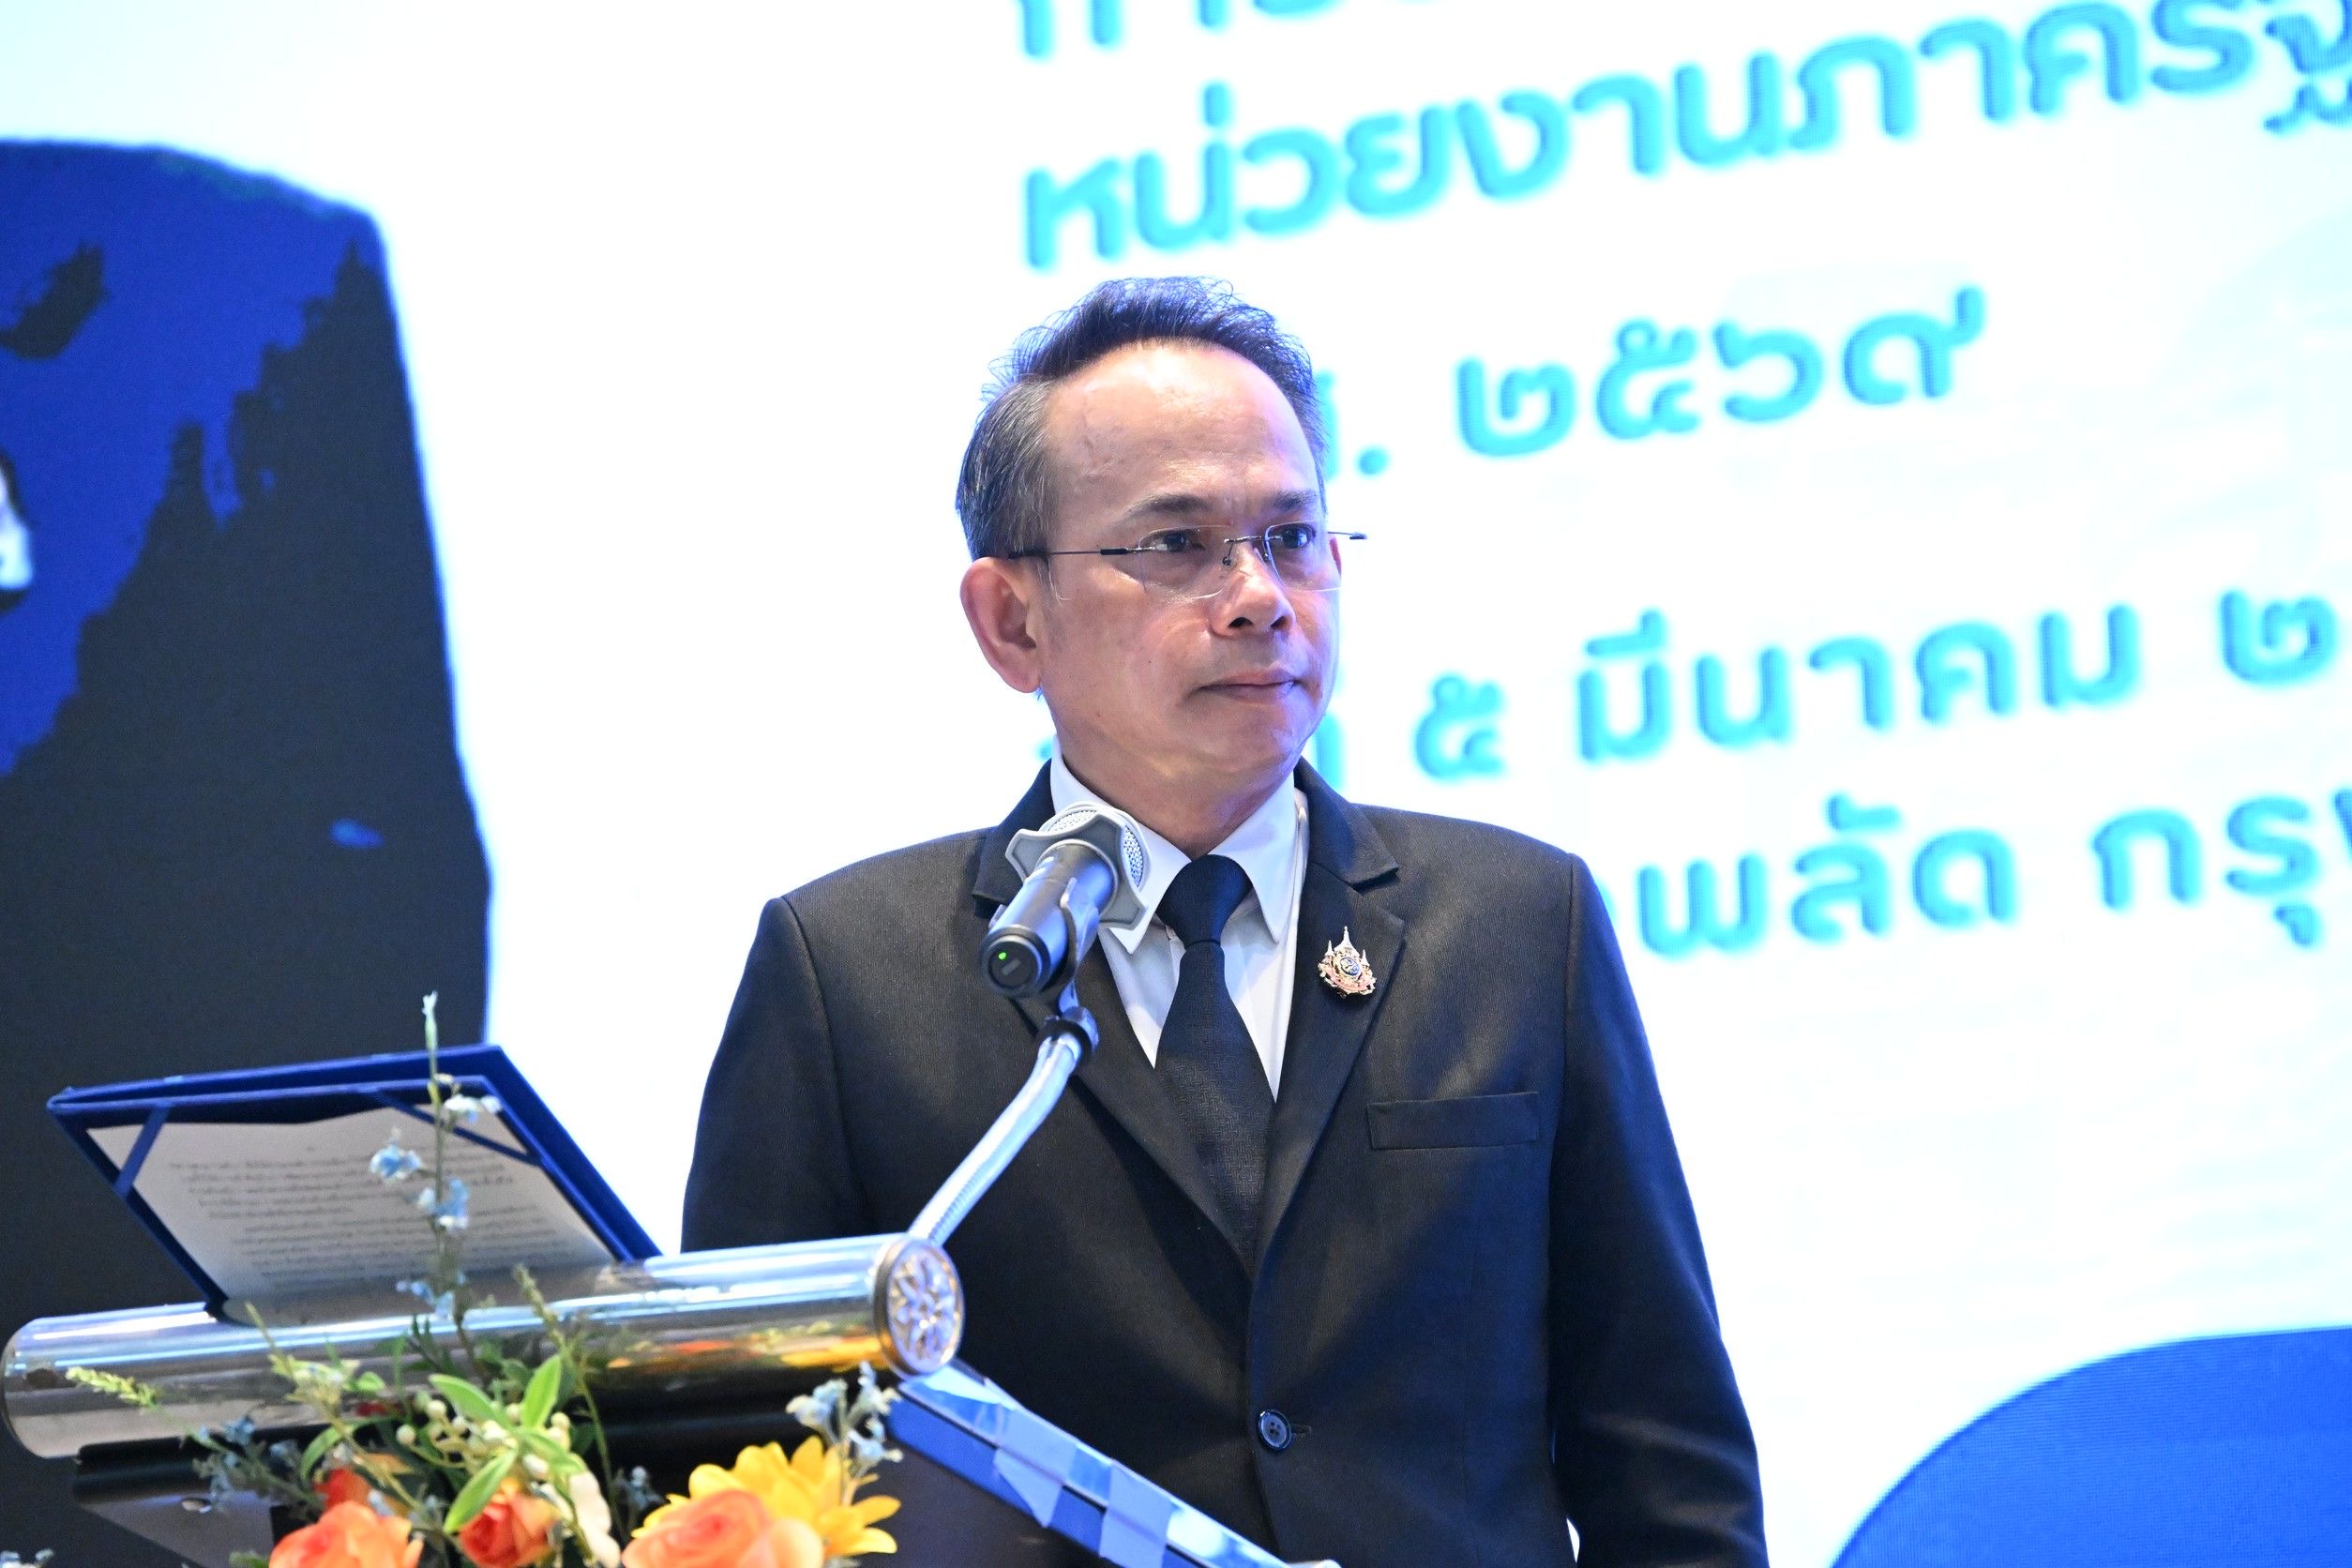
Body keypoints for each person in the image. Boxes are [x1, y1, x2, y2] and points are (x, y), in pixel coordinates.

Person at [684, 277, 1768, 1566]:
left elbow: (1665, 1467)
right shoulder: (847, 978)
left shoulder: (1518, 926)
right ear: (1011, 620)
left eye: (1292, 536)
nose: (1259, 596)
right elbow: (740, 1478)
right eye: (1177, 545)